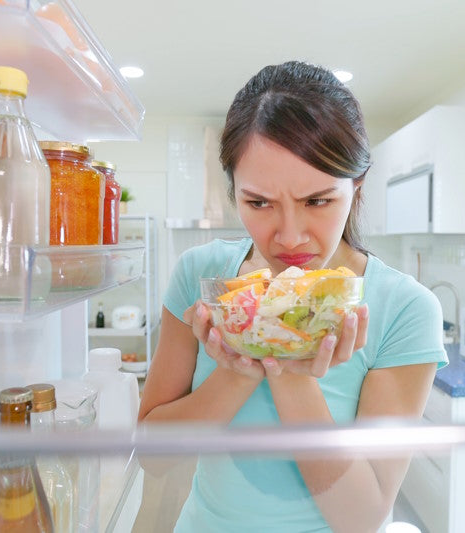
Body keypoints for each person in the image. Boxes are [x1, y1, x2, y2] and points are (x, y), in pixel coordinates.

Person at [138, 60, 448, 533]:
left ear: (356, 187)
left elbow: (362, 519)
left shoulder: (405, 310)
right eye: (259, 203)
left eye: (317, 201)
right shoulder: (204, 279)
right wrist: (238, 366)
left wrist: (285, 361)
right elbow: (154, 458)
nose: (290, 237)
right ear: (234, 193)